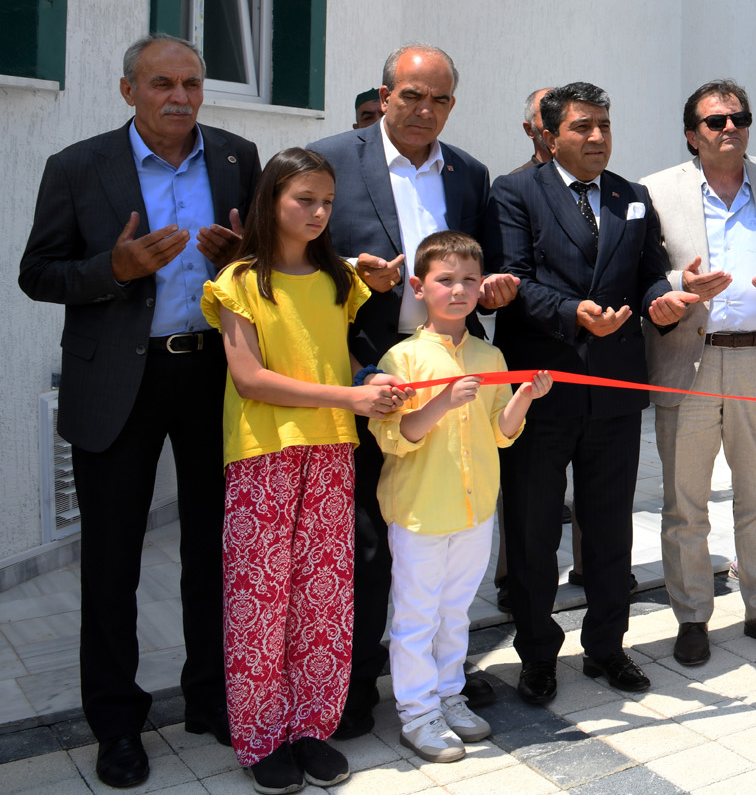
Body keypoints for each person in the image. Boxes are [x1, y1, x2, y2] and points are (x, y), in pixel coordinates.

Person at [16, 35, 259, 789]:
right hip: (119, 382)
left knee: (213, 551)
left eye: (191, 81)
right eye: (161, 83)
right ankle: (117, 725)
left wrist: (235, 259)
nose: (179, 96)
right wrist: (113, 269)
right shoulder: (78, 166)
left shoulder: (234, 156)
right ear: (128, 91)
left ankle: (209, 697)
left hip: (212, 376)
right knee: (114, 563)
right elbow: (37, 272)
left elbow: (258, 264)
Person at [310, 45, 511, 738]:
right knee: (364, 543)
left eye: (440, 99)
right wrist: (347, 267)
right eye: (412, 95)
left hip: (448, 369)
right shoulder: (331, 156)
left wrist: (496, 286)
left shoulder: (469, 171)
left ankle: (436, 686)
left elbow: (479, 260)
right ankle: (359, 689)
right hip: (363, 370)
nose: (425, 110)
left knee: (440, 557)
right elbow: (290, 246)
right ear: (385, 93)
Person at [202, 148, 406, 789]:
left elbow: (335, 359)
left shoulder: (338, 281)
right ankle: (262, 739)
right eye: (303, 200)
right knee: (260, 602)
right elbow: (251, 377)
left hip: (331, 450)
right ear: (270, 202)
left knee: (322, 599)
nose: (317, 213)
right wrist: (351, 397)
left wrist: (373, 382)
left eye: (326, 201)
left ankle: (310, 727)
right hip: (263, 454)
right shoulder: (239, 280)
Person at [484, 82, 687, 705]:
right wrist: (577, 314)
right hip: (542, 388)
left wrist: (666, 301)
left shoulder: (631, 195)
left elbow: (648, 273)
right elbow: (515, 280)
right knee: (534, 531)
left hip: (616, 393)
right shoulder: (514, 193)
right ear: (549, 135)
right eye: (582, 127)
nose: (597, 137)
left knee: (608, 530)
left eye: (604, 124)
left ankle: (607, 647)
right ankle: (537, 655)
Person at [641, 79, 756, 664]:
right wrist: (674, 288)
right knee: (686, 502)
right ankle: (692, 616)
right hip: (689, 359)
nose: (730, 127)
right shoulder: (656, 192)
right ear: (693, 135)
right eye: (715, 121)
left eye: (739, 117)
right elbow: (639, 273)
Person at [372, 231, 552, 762]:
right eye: (445, 280)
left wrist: (522, 398)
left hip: (475, 510)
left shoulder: (489, 353)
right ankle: (416, 712)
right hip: (420, 510)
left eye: (469, 280)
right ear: (418, 287)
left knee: (455, 611)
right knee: (416, 615)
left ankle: (449, 694)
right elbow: (395, 436)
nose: (458, 290)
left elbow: (500, 432)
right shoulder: (401, 360)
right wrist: (443, 403)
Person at [513, 87, 553, 175]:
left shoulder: (586, 178)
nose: (558, 123)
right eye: (549, 116)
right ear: (529, 129)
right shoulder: (516, 184)